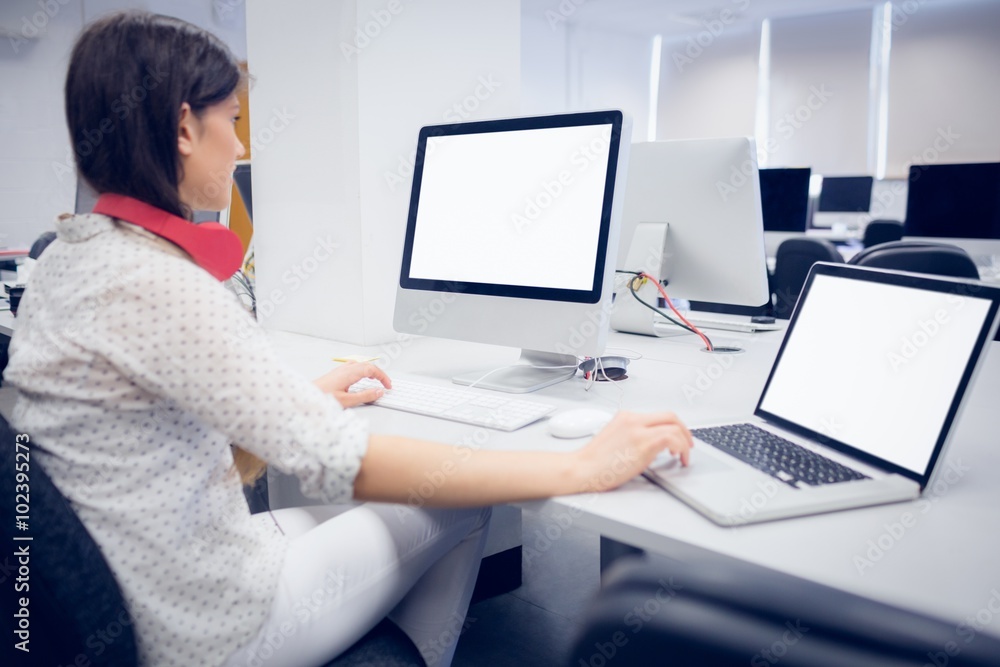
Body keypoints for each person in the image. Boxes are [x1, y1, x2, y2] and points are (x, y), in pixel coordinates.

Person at [3, 11, 693, 667]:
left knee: (395, 501)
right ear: (185, 127)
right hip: (207, 626)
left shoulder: (71, 257)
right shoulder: (159, 280)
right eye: (233, 121)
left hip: (158, 580)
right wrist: (585, 467)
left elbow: (154, 423)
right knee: (458, 497)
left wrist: (295, 400)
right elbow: (347, 463)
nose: (241, 146)